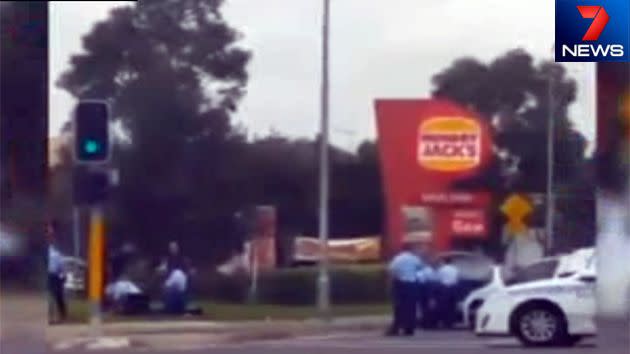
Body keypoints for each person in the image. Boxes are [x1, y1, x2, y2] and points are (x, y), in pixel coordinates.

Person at [386, 242, 423, 336]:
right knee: (411, 307)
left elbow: (392, 271)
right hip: (412, 285)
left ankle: (396, 328)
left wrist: (390, 285)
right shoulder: (414, 258)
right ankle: (409, 329)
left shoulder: (398, 258)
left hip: (401, 284)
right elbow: (420, 268)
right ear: (410, 249)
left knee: (399, 307)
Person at [47, 221, 67, 323]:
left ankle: (60, 316)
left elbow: (61, 265)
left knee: (57, 296)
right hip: (49, 275)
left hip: (54, 276)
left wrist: (63, 275)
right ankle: (50, 317)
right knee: (50, 297)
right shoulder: (53, 252)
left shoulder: (56, 253)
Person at [436, 257, 460, 329]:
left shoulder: (441, 269)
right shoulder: (455, 269)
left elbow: (438, 279)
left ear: (444, 261)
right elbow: (457, 279)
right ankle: (451, 322)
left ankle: (444, 322)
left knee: (444, 306)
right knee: (452, 306)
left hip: (444, 288)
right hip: (453, 288)